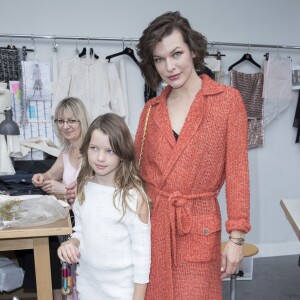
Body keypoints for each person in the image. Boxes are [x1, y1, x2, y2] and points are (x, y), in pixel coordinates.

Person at [134, 11, 251, 300]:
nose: (169, 67)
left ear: (193, 50)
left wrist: (236, 238)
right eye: (159, 59)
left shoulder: (226, 102)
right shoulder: (151, 111)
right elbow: (133, 176)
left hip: (198, 227)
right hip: (154, 232)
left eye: (176, 54)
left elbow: (238, 174)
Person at [57, 113, 151, 300]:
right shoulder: (83, 187)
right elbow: (81, 231)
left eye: (110, 151)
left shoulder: (134, 196)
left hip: (122, 293)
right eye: (94, 148)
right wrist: (71, 244)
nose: (100, 157)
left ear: (123, 153)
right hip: (88, 289)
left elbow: (142, 259)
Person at [28, 97, 89, 300]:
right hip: (71, 226)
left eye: (71, 120)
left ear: (82, 121)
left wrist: (62, 190)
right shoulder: (67, 151)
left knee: (83, 280)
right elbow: (50, 175)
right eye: (61, 121)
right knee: (70, 279)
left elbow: (91, 195)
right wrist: (41, 178)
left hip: (89, 228)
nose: (66, 126)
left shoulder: (92, 152)